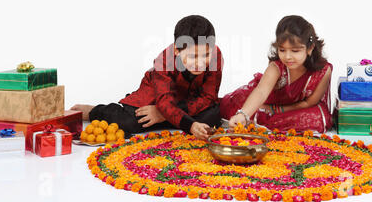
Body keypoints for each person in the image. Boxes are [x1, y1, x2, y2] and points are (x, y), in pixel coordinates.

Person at [72, 15, 224, 140]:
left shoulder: (216, 56)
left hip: (187, 101)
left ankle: (169, 120)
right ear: (177, 51)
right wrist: (187, 123)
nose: (200, 62)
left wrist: (163, 115)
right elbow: (164, 101)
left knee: (213, 115)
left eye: (206, 55)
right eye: (193, 56)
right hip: (156, 98)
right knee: (129, 122)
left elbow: (208, 97)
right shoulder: (164, 61)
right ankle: (95, 110)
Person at [221, 15, 333, 133]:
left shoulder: (323, 70)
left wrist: (277, 110)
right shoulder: (277, 67)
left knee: (319, 118)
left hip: (291, 109)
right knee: (243, 110)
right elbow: (261, 92)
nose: (288, 57)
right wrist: (243, 115)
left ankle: (266, 121)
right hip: (262, 104)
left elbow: (309, 102)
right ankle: (258, 119)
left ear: (310, 48)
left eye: (295, 51)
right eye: (282, 50)